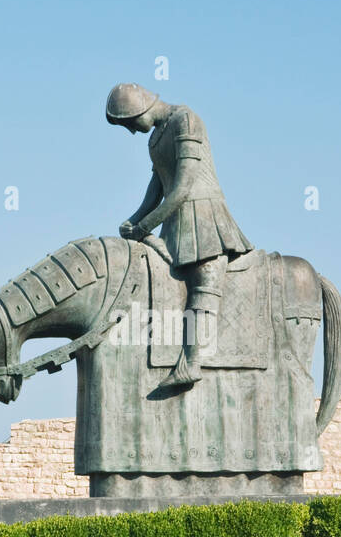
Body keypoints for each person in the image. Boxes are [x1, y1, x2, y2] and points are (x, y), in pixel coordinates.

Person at [106, 82, 252, 389]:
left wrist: (147, 225)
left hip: (204, 217)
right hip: (175, 222)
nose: (133, 131)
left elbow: (183, 185)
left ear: (140, 108)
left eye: (131, 123)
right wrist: (134, 221)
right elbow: (157, 188)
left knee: (204, 281)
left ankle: (192, 361)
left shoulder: (185, 120)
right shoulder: (156, 138)